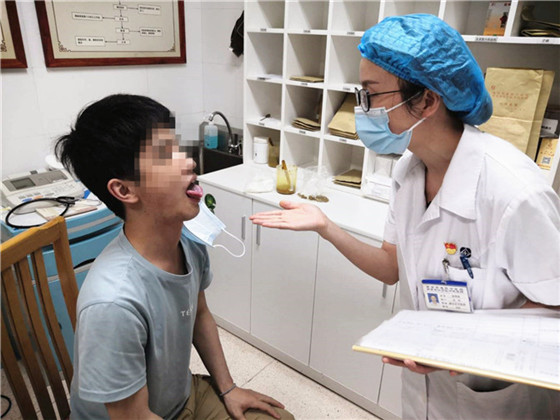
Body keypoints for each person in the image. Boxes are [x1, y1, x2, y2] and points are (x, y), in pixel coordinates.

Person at [250, 14, 560, 419]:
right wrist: (326, 226)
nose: (361, 109)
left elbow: (552, 307)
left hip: (492, 400)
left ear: (427, 101)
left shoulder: (515, 193)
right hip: (423, 392)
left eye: (370, 94)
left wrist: (465, 349)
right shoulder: (409, 171)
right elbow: (390, 267)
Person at [55, 94, 294, 420]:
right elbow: (132, 417)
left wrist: (228, 388)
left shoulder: (188, 241)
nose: (189, 162)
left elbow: (199, 314)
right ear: (124, 190)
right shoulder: (112, 303)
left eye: (178, 147)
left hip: (179, 397)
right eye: (165, 155)